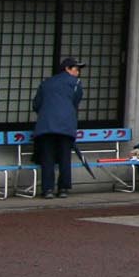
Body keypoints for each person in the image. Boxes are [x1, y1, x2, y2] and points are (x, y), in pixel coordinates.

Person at [31, 57, 84, 198]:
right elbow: (75, 102)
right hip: (66, 125)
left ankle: (47, 189)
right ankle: (63, 189)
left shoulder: (46, 83)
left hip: (45, 125)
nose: (78, 72)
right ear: (67, 69)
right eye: (76, 69)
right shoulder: (76, 83)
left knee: (47, 157)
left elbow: (36, 104)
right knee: (64, 157)